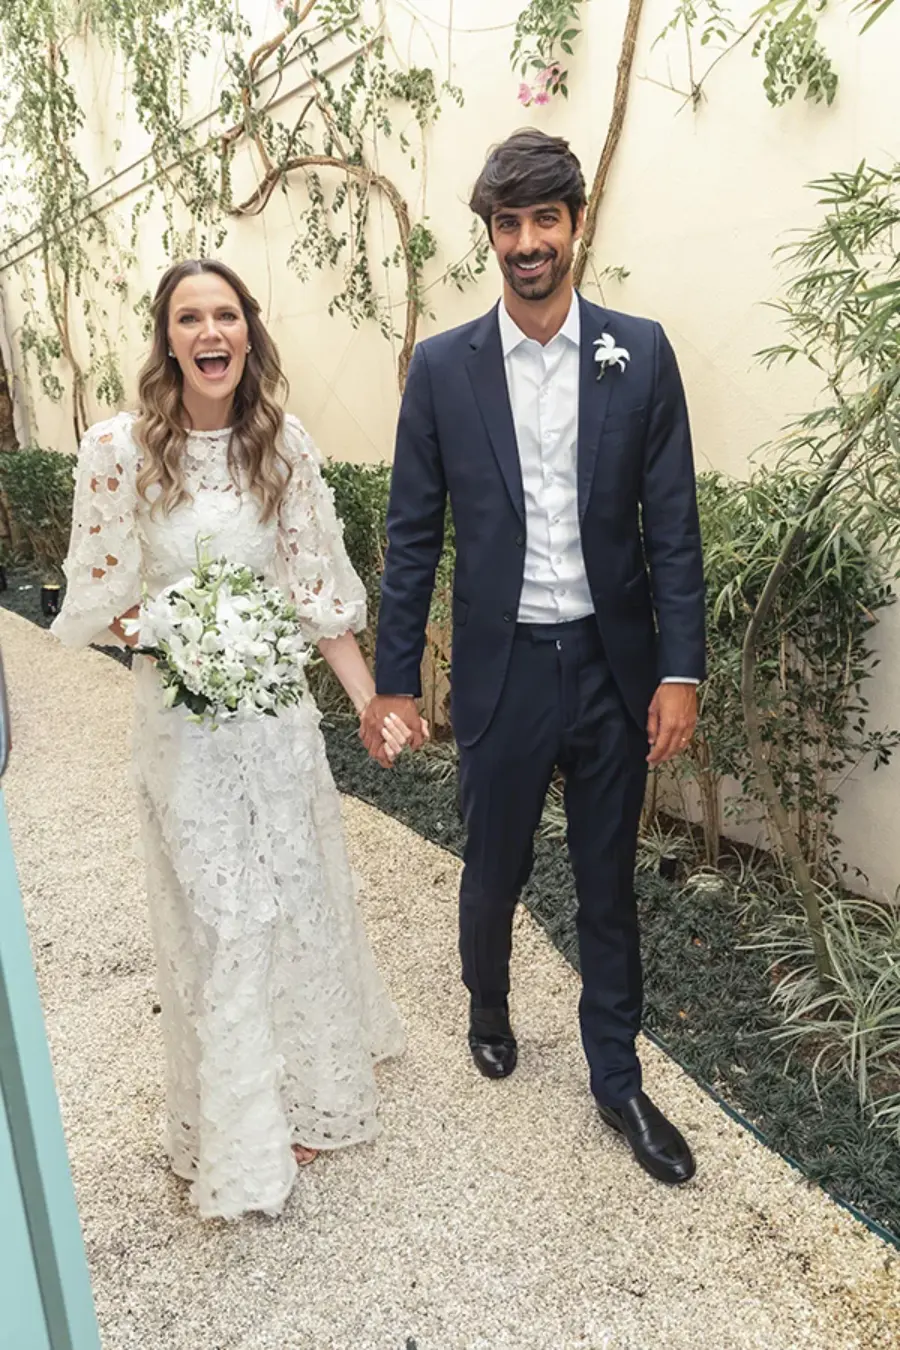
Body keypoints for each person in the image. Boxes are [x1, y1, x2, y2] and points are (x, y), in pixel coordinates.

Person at [361, 130, 706, 1186]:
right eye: (507, 225)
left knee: (607, 884)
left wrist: (680, 672)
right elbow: (413, 531)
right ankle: (489, 1001)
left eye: (543, 221)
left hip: (611, 672)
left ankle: (616, 1079)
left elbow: (674, 529)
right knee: (494, 866)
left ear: (574, 226)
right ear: (492, 238)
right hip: (503, 676)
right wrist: (392, 681)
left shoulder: (638, 353)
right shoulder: (444, 370)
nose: (526, 243)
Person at [52, 258, 414, 1220]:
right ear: (167, 337)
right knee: (220, 915)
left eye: (225, 315)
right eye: (188, 318)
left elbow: (315, 593)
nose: (210, 333)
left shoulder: (280, 444)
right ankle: (234, 1127)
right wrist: (177, 632)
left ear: (247, 332)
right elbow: (99, 602)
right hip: (181, 729)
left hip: (274, 726)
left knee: (292, 903)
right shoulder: (118, 450)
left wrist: (371, 703)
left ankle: (298, 1093)